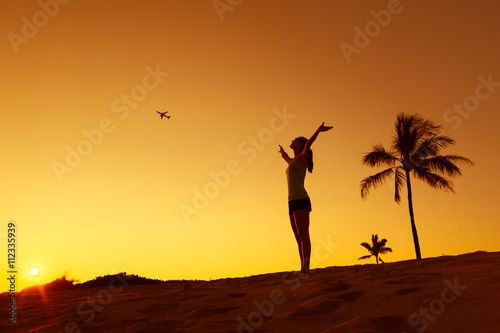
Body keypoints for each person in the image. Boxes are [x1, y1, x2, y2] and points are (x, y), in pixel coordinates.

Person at [278, 122, 333, 275]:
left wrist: (318, 131)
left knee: (303, 234)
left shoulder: (303, 158)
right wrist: (282, 153)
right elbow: (287, 159)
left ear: (301, 145)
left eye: (295, 139)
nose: (292, 140)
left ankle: (306, 268)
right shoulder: (293, 161)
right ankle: (302, 267)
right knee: (297, 236)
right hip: (291, 201)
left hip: (301, 199)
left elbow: (309, 143)